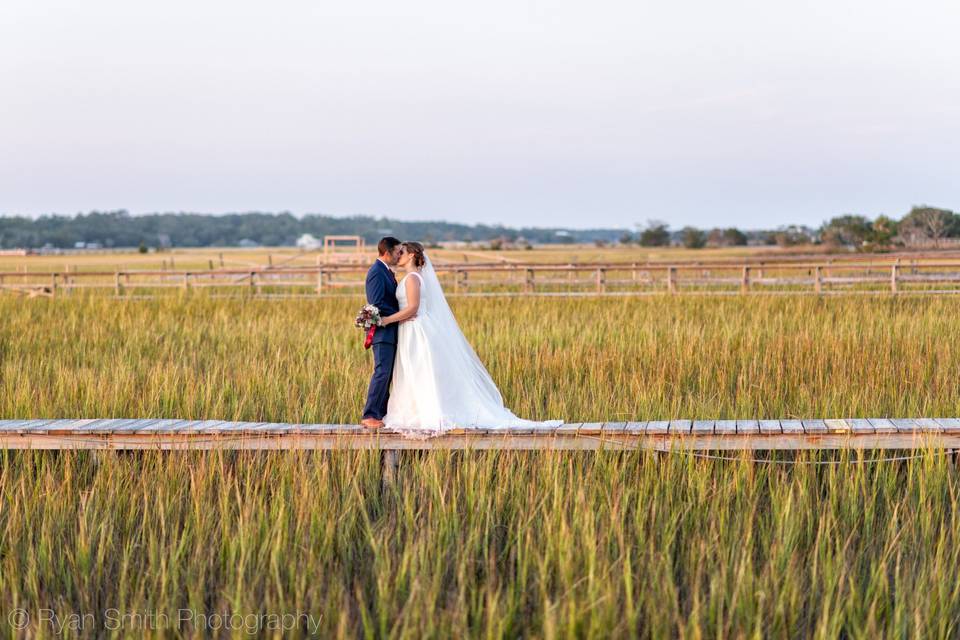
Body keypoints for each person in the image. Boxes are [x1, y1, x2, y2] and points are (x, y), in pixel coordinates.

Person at [377, 241, 561, 437]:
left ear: (412, 255)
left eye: (402, 252)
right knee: (415, 369)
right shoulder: (411, 277)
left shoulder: (413, 278)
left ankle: (429, 412)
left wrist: (387, 319)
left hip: (416, 330)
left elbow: (413, 308)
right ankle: (417, 409)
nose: (399, 255)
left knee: (421, 369)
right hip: (410, 328)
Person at [360, 237, 403, 429]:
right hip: (382, 332)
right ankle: (370, 414)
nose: (400, 255)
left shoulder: (387, 272)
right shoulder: (377, 272)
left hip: (390, 331)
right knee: (382, 372)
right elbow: (377, 304)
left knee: (387, 374)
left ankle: (381, 414)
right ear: (387, 253)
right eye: (397, 252)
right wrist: (403, 315)